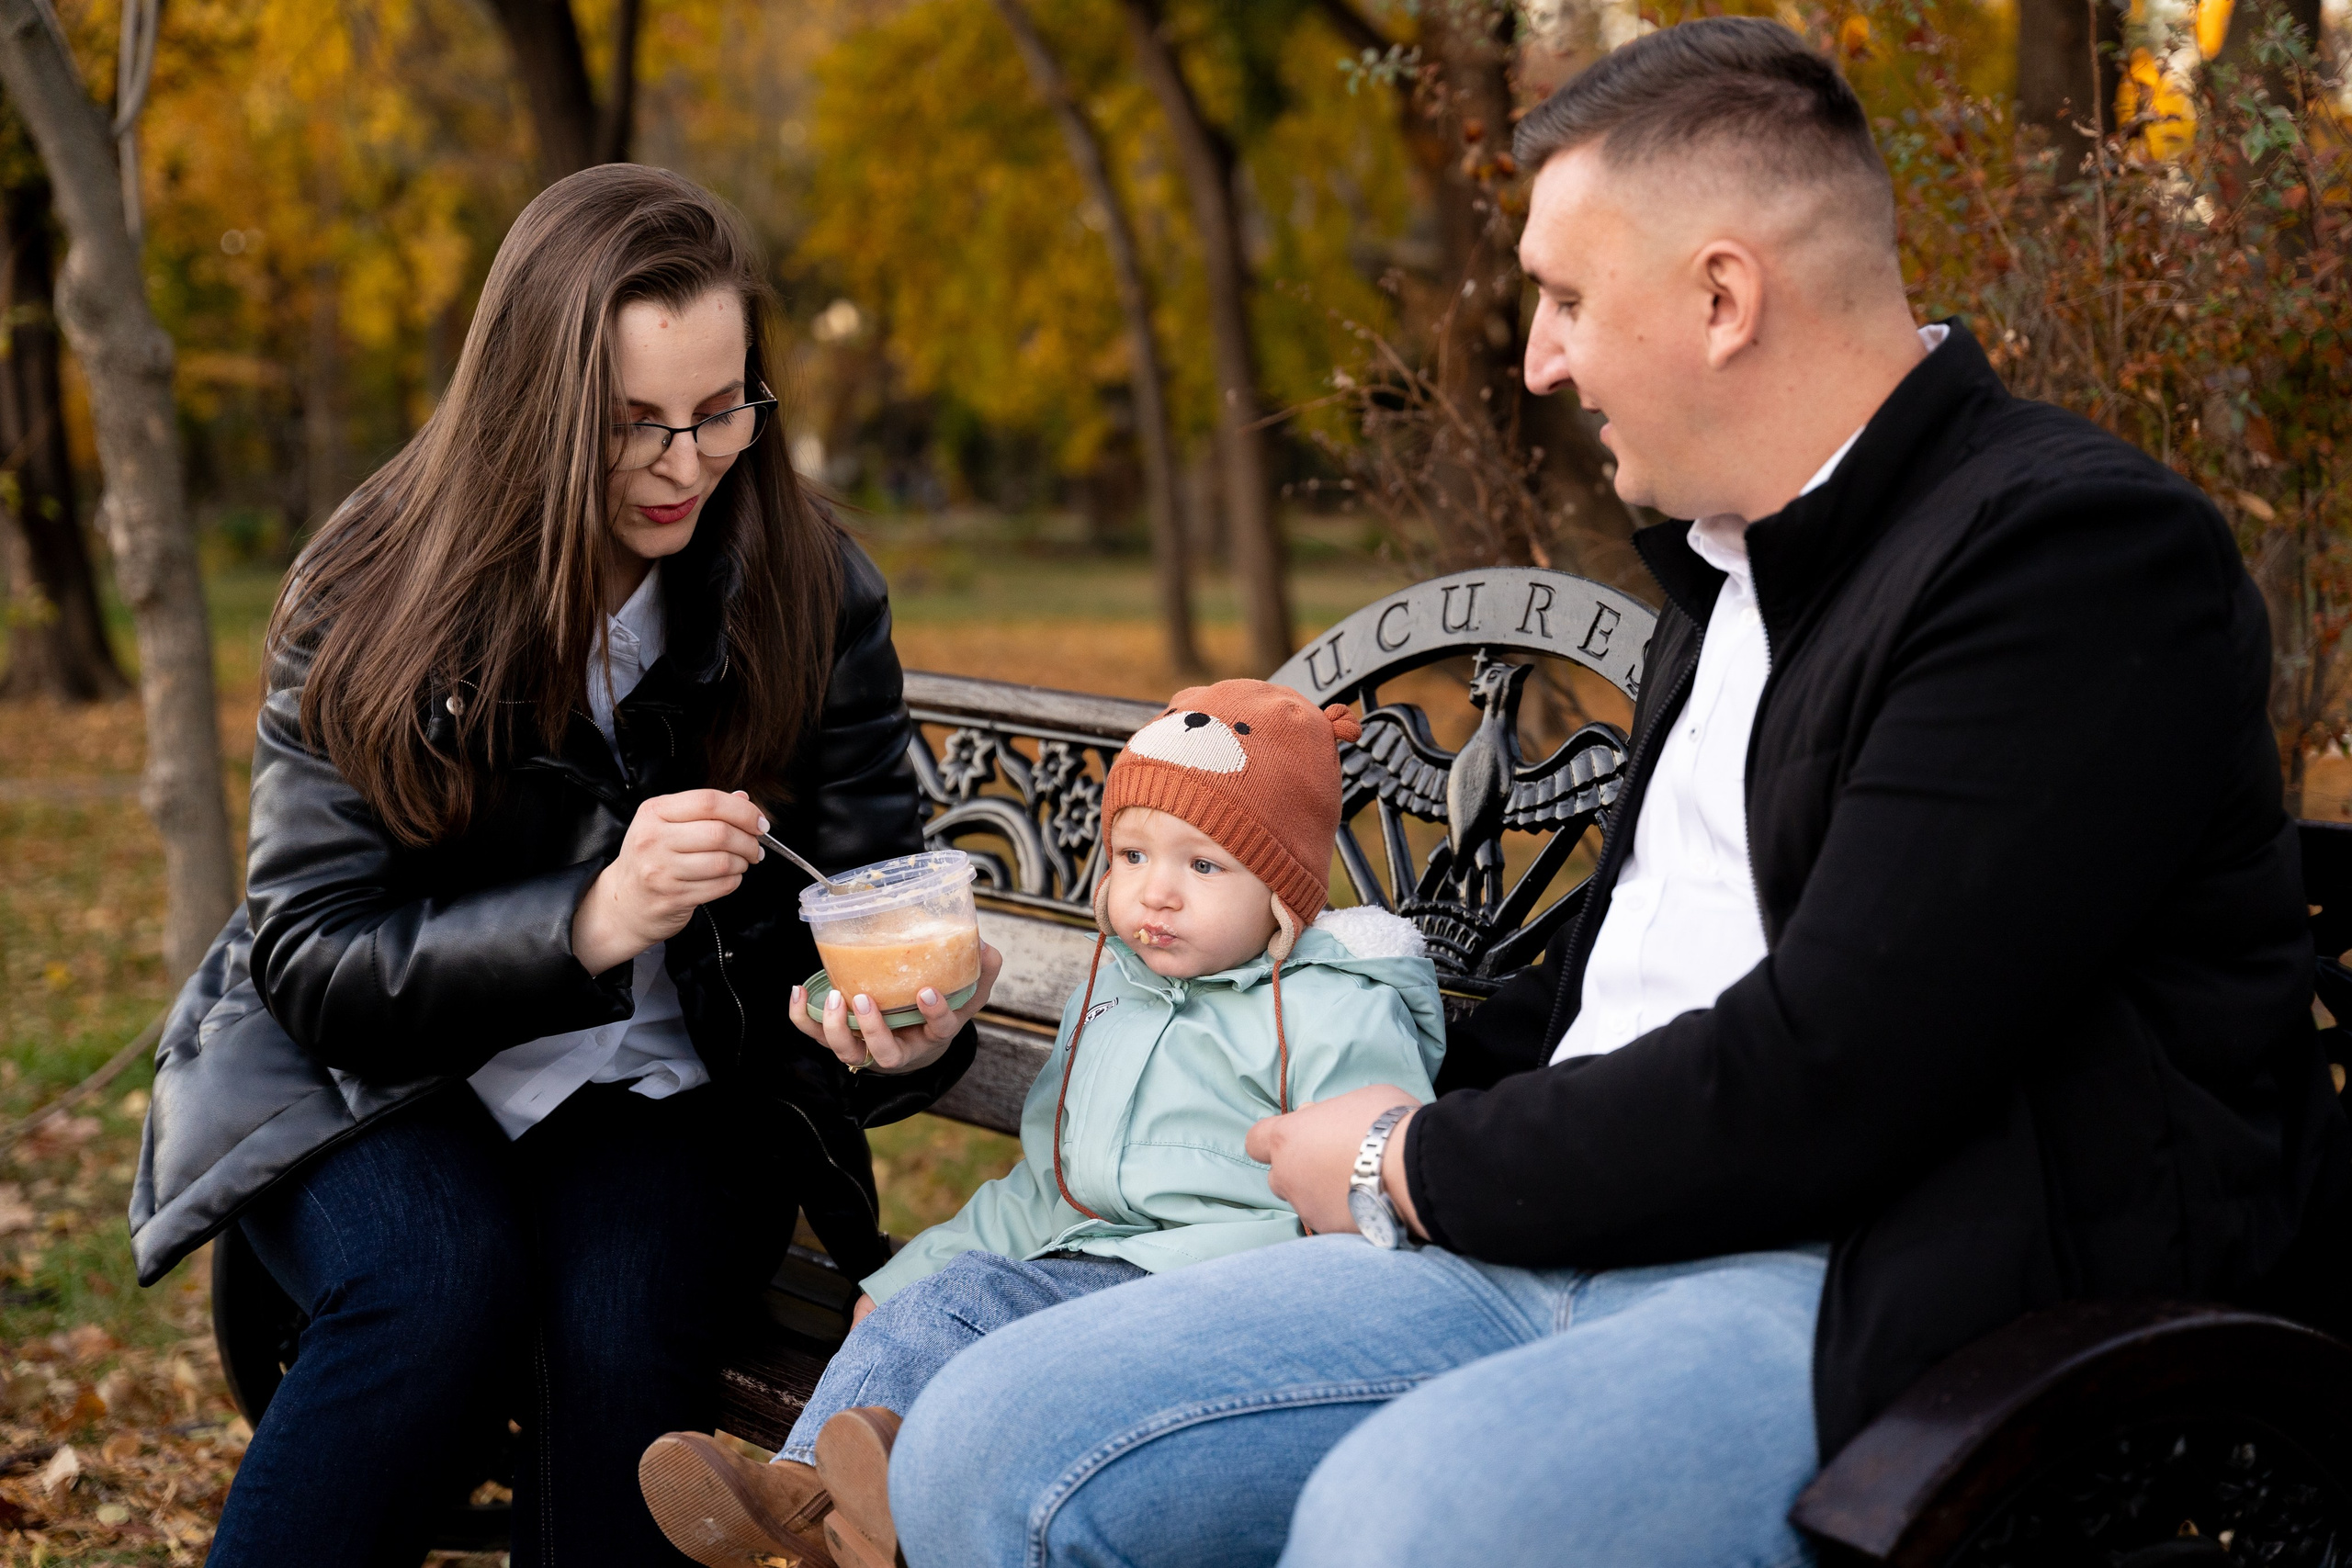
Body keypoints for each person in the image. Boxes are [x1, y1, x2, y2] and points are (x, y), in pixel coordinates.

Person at [873, 19, 2352, 1567]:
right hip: (1556, 1232)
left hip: (1864, 1297)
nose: (1538, 358)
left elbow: (1835, 1070)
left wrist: (1410, 1164)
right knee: (987, 1440)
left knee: (1401, 1530)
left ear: (1723, 296)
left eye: (1568, 299)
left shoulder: (2072, 562)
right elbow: (1608, 989)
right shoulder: (1734, 571)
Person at [127, 164, 1001, 1568]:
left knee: (626, 1316)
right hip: (377, 1074)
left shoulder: (806, 582)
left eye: (722, 410)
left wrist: (886, 1024)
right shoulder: (373, 586)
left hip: (672, 1087)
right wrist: (591, 916)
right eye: (635, 426)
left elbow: (862, 892)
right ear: (536, 410)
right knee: (431, 1282)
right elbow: (312, 957)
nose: (686, 462)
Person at [638, 680, 1449, 1568]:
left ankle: (847, 1510)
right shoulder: (1115, 994)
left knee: (970, 1319)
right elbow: (1047, 1182)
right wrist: (920, 1269)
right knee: (937, 1303)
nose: (1158, 894)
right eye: (1133, 856)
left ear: (1284, 893)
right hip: (1079, 1279)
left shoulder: (1339, 1012)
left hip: (1219, 1308)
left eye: (1204, 865)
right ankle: (814, 1504)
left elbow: (1379, 1200)